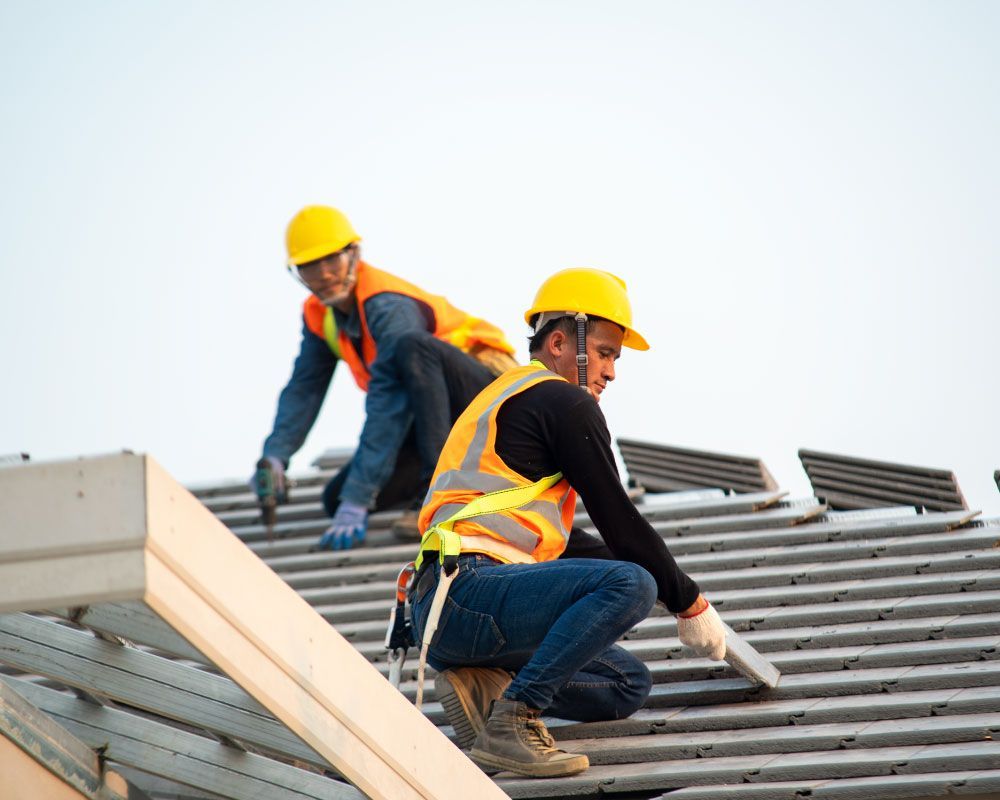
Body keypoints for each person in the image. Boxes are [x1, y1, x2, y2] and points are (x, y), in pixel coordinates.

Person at [409, 268, 727, 779]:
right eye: (605, 353)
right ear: (560, 342)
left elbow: (580, 545)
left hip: (446, 607)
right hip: (469, 589)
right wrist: (688, 600)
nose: (611, 373)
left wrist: (671, 591)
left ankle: (485, 686)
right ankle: (514, 720)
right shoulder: (564, 400)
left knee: (626, 682)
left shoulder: (510, 394)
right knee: (631, 583)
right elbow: (619, 520)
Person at [256, 205, 517, 550]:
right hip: (436, 424)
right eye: (309, 266)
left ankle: (439, 495)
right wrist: (275, 455)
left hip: (494, 408)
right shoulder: (322, 315)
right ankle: (454, 485)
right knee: (336, 499)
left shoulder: (388, 306)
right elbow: (304, 389)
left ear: (354, 254)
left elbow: (389, 402)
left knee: (413, 348)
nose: (324, 274)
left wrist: (360, 496)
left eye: (332, 260)